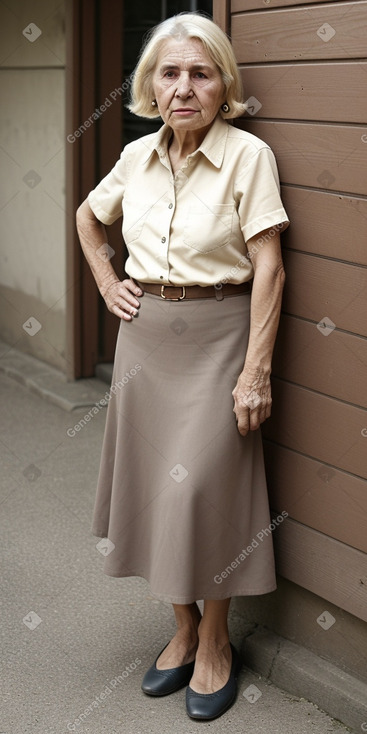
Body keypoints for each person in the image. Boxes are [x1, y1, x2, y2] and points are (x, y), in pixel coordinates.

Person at [76, 12, 289, 721]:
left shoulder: (246, 155)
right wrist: (108, 282)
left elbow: (269, 267)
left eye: (199, 72)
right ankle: (182, 625)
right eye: (169, 73)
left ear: (222, 82)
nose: (184, 87)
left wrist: (255, 371)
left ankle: (218, 636)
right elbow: (87, 214)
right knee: (154, 487)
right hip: (146, 344)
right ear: (149, 86)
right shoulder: (136, 158)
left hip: (219, 339)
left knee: (201, 489)